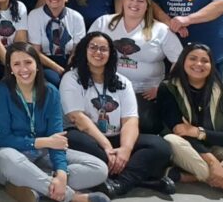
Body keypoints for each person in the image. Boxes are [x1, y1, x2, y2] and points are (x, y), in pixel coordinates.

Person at [0, 42, 110, 202]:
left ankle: (33, 184)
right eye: (16, 64)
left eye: (28, 62)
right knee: (7, 158)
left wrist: (61, 173)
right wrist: (43, 142)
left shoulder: (51, 92)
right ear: (10, 68)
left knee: (99, 169)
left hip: (42, 154)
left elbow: (57, 139)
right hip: (10, 153)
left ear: (37, 65)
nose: (23, 69)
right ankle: (73, 197)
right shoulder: (0, 91)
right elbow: (3, 139)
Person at [61, 31, 174, 198]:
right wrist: (107, 146)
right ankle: (140, 178)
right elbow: (77, 118)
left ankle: (119, 183)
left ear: (111, 54)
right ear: (84, 50)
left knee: (160, 147)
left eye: (103, 49)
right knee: (76, 141)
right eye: (93, 47)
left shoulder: (122, 81)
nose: (98, 52)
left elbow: (130, 120)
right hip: (89, 138)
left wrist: (125, 150)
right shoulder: (71, 78)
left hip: (117, 136)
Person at [158, 43, 223, 201]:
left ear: (211, 65)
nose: (198, 64)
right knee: (171, 139)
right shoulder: (169, 88)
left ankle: (191, 176)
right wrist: (212, 161)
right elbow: (178, 131)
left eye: (205, 61)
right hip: (188, 150)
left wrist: (199, 132)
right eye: (193, 58)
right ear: (183, 61)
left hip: (219, 148)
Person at [90, 0, 182, 134]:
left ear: (148, 5)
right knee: (104, 122)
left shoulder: (161, 30)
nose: (134, 4)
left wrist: (163, 87)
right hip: (108, 89)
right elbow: (86, 52)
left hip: (144, 92)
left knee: (146, 124)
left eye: (140, 1)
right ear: (123, 1)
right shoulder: (104, 23)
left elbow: (180, 61)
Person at [27, 0, 87, 87]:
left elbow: (77, 49)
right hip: (45, 62)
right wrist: (59, 69)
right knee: (55, 81)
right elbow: (36, 52)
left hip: (71, 60)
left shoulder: (76, 17)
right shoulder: (34, 16)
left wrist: (69, 69)